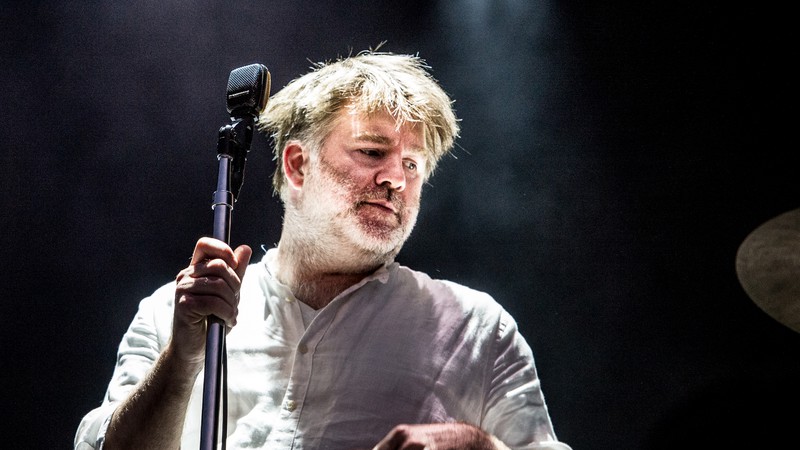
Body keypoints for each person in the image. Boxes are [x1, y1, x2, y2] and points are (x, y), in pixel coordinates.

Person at [74, 50, 571, 450]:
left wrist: (482, 447)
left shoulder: (478, 330)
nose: (396, 178)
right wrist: (181, 361)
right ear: (296, 166)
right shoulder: (173, 314)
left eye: (414, 165)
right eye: (373, 152)